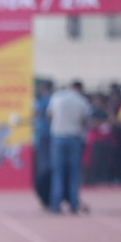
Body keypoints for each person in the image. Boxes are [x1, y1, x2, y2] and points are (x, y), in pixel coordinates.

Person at [46, 80, 92, 214]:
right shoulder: (81, 101)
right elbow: (85, 121)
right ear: (80, 88)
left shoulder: (57, 97)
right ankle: (73, 204)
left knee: (58, 172)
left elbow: (49, 116)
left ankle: (55, 204)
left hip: (58, 136)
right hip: (74, 137)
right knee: (74, 173)